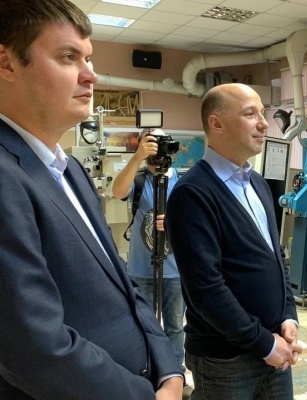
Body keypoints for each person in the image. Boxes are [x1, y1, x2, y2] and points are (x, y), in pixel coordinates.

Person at [0, 1, 184, 399]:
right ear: (7, 63)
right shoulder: (6, 177)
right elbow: (34, 347)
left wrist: (169, 367)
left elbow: (123, 283)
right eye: (68, 57)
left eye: (89, 58)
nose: (91, 74)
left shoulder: (70, 171)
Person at [165, 83, 302, 400]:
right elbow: (206, 288)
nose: (264, 123)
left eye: (262, 113)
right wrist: (264, 343)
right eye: (250, 114)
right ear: (216, 123)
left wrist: (288, 315)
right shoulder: (192, 193)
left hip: (274, 346)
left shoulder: (258, 184)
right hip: (226, 360)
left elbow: (276, 257)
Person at [111, 129, 186, 373]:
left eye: (161, 142)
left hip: (175, 271)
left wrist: (176, 223)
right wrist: (137, 157)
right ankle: (148, 369)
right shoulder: (139, 179)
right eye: (152, 142)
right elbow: (117, 192)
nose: (157, 148)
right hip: (141, 268)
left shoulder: (183, 182)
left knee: (175, 326)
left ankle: (174, 371)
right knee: (144, 324)